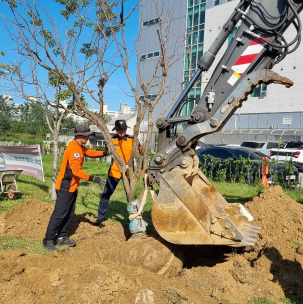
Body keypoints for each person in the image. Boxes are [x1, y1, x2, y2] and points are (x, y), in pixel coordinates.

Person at [43, 124, 110, 252]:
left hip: (72, 187)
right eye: (87, 136)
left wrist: (105, 153)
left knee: (69, 213)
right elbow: (76, 171)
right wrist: (93, 179)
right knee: (59, 214)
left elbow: (90, 153)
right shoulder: (74, 149)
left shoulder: (79, 146)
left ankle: (61, 237)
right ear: (81, 136)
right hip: (65, 186)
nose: (88, 138)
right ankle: (48, 240)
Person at [93, 119, 143, 226]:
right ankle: (100, 217)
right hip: (114, 172)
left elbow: (140, 150)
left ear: (126, 129)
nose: (121, 132)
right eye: (119, 130)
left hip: (129, 173)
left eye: (123, 129)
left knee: (131, 196)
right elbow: (107, 151)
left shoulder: (132, 140)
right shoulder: (111, 140)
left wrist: (138, 143)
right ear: (115, 130)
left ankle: (135, 219)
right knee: (106, 194)